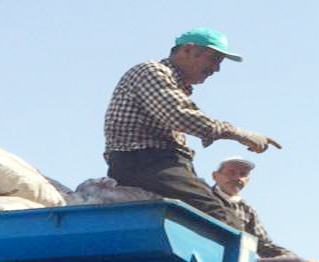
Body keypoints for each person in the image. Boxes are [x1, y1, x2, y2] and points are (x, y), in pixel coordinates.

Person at [104, 28, 280, 223]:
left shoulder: (172, 82)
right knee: (223, 218)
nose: (216, 68)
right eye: (214, 59)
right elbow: (180, 115)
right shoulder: (152, 71)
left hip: (155, 164)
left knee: (214, 214)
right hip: (144, 162)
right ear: (188, 50)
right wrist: (237, 133)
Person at [209, 158, 319, 262]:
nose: (237, 178)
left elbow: (264, 245)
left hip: (236, 261)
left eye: (243, 174)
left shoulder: (247, 209)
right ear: (215, 176)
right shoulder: (203, 196)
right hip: (208, 252)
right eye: (231, 172)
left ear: (247, 180)